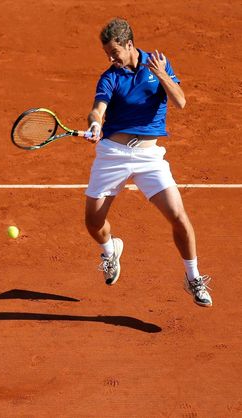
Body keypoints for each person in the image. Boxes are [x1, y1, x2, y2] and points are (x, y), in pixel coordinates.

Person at [84, 18, 212, 307]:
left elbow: (180, 102)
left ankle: (194, 278)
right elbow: (97, 110)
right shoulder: (109, 77)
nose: (110, 59)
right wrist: (94, 124)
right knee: (93, 222)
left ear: (129, 45)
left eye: (114, 52)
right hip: (112, 155)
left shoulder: (158, 64)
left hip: (149, 157)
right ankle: (110, 250)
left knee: (179, 217)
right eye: (107, 54)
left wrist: (161, 74)